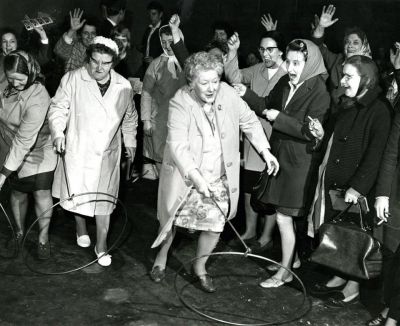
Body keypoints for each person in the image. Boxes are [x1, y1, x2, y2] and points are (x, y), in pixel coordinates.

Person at [149, 51, 279, 293]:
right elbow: (177, 145)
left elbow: (249, 121)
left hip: (219, 174)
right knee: (172, 222)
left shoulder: (228, 94)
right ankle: (161, 258)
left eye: (215, 81)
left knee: (214, 225)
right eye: (204, 82)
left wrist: (266, 151)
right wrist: (196, 177)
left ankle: (200, 267)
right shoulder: (180, 101)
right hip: (186, 176)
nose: (211, 88)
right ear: (191, 81)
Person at [236, 39, 330, 288]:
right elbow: (266, 105)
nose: (291, 67)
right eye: (288, 62)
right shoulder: (285, 84)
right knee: (283, 217)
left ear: (310, 63)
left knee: (283, 218)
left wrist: (281, 119)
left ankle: (285, 272)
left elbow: (312, 133)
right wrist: (245, 93)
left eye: (297, 63)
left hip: (300, 163)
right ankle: (291, 261)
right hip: (280, 158)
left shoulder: (319, 91)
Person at [307, 55, 391, 307]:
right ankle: (339, 274)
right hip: (337, 185)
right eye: (343, 75)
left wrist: (359, 186)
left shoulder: (380, 110)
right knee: (341, 233)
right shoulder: (347, 104)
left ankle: (353, 286)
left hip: (357, 189)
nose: (343, 81)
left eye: (349, 76)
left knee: (356, 237)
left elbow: (377, 154)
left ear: (366, 78)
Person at [48, 36, 138, 266]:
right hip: (79, 148)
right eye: (94, 61)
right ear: (89, 58)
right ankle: (80, 228)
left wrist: (130, 141)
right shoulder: (72, 79)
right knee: (79, 193)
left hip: (108, 152)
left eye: (105, 63)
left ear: (113, 63)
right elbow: (58, 107)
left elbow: (129, 118)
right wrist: (58, 133)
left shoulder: (124, 86)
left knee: (105, 200)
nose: (98, 68)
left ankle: (102, 245)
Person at [225, 28, 287, 254]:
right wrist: (233, 52)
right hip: (254, 139)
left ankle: (266, 236)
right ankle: (250, 231)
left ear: (281, 51)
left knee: (271, 189)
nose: (266, 54)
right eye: (262, 49)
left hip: (278, 139)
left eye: (271, 49)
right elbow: (235, 78)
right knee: (250, 186)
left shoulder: (289, 72)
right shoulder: (257, 70)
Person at [0, 50, 57, 259]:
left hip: (38, 149)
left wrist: (3, 174)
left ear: (31, 71)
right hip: (9, 147)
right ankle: (19, 232)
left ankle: (43, 239)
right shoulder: (6, 84)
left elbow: (25, 140)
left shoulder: (38, 95)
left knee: (41, 192)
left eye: (19, 79)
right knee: (17, 193)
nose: (14, 84)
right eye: (10, 78)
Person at [141, 25, 186, 178]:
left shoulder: (188, 63)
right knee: (161, 157)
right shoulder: (155, 65)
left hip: (182, 121)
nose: (168, 46)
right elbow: (146, 93)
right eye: (164, 42)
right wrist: (146, 119)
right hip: (160, 120)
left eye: (171, 41)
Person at [311, 4, 372, 105]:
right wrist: (321, 26)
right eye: (347, 42)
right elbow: (317, 47)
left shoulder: (370, 69)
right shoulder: (337, 60)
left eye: (355, 42)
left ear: (364, 46)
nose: (350, 45)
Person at [0, 27, 49, 91]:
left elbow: (42, 59)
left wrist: (43, 35)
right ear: (1, 45)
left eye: (12, 41)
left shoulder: (23, 56)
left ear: (17, 43)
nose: (8, 45)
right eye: (4, 41)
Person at [54, 8, 98, 73]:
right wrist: (72, 30)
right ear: (80, 35)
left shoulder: (101, 49)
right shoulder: (74, 48)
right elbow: (60, 52)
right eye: (86, 33)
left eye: (93, 33)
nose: (90, 37)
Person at [140, 1, 164, 71]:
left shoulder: (163, 30)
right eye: (149, 14)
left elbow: (168, 50)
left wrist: (155, 59)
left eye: (154, 14)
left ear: (160, 14)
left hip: (158, 67)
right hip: (146, 65)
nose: (151, 17)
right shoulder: (148, 29)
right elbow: (144, 46)